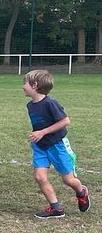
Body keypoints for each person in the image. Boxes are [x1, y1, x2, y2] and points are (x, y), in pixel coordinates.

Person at [23, 69, 89, 218]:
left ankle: (81, 191)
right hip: (40, 146)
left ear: (34, 85)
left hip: (57, 145)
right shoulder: (30, 105)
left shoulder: (50, 103)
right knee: (40, 177)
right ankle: (56, 208)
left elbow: (65, 121)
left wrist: (42, 132)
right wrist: (38, 135)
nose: (23, 86)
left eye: (25, 83)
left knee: (68, 180)